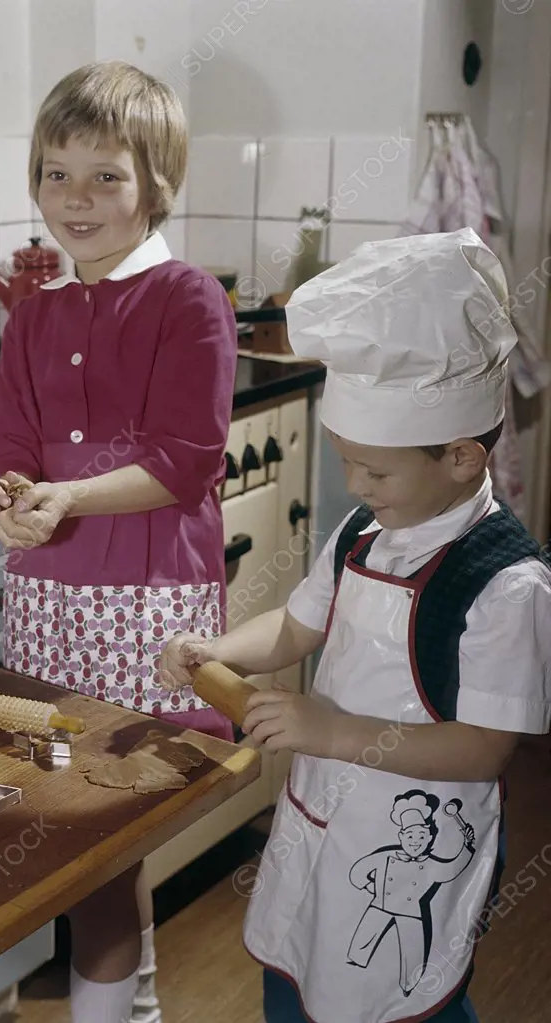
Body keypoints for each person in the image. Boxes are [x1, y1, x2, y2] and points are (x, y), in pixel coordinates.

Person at [159, 227, 551, 1023]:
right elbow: (296, 628)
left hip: (413, 843)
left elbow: (483, 748)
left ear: (463, 458)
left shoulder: (508, 585)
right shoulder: (362, 533)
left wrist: (330, 730)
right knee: (298, 966)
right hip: (322, 814)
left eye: (375, 470)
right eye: (347, 460)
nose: (353, 484)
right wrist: (216, 646)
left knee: (401, 996)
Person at [0, 60, 238, 1023]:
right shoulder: (34, 314)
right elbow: (10, 450)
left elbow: (189, 458)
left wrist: (63, 496)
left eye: (105, 175)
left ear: (155, 183)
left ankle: (124, 1008)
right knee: (68, 832)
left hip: (146, 602)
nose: (75, 199)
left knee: (109, 833)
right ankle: (132, 1004)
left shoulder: (187, 299)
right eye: (55, 173)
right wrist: (0, 500)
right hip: (49, 601)